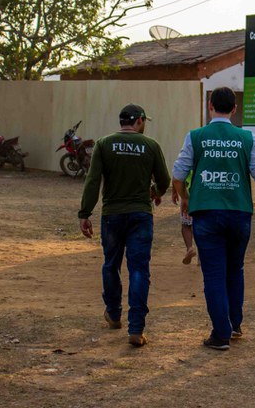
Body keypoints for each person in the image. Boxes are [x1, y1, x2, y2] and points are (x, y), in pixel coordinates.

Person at [172, 87, 255, 351]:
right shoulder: (246, 137)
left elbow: (178, 175)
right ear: (234, 109)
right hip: (239, 213)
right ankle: (235, 324)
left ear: (210, 105)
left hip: (206, 213)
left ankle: (220, 334)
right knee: (235, 269)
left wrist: (185, 197)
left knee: (214, 274)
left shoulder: (196, 136)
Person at [78, 103, 170, 348]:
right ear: (139, 120)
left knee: (111, 264)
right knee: (139, 269)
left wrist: (85, 212)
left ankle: (113, 313)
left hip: (112, 215)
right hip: (141, 215)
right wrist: (155, 191)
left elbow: (93, 180)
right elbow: (164, 180)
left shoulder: (104, 144)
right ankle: (136, 329)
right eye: (144, 121)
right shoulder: (151, 145)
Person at [171, 171, 197, 265]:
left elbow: (177, 174)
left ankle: (189, 248)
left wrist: (174, 191)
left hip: (187, 195)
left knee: (186, 225)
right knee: (202, 224)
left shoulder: (187, 161)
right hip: (202, 195)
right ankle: (201, 256)